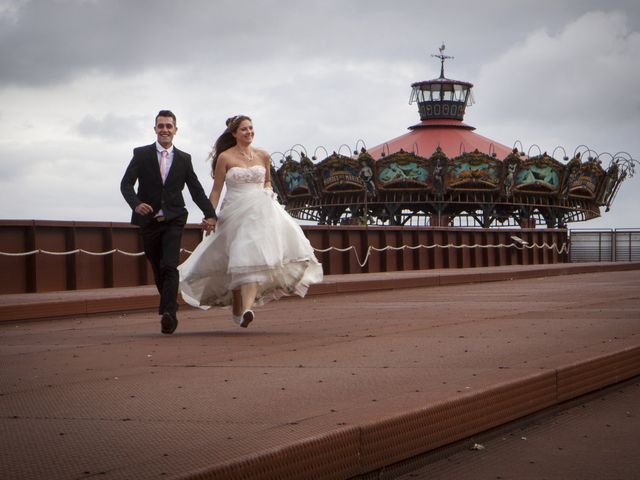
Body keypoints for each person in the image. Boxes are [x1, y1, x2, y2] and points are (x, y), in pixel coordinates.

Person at [178, 115, 323, 328]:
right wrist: (210, 214)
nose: (249, 132)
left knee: (253, 258)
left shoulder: (263, 155)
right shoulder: (225, 158)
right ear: (235, 133)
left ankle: (247, 310)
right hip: (234, 213)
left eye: (251, 128)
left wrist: (267, 193)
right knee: (236, 261)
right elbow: (217, 190)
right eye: (244, 129)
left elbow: (267, 183)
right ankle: (239, 310)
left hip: (261, 213)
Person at [120, 110, 217, 335]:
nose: (165, 130)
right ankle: (169, 307)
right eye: (161, 126)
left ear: (175, 130)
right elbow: (126, 184)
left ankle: (168, 314)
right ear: (155, 129)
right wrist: (136, 204)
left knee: (169, 265)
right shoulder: (141, 154)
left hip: (174, 219)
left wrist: (210, 214)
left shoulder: (184, 159)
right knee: (157, 267)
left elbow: (196, 190)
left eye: (169, 126)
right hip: (149, 221)